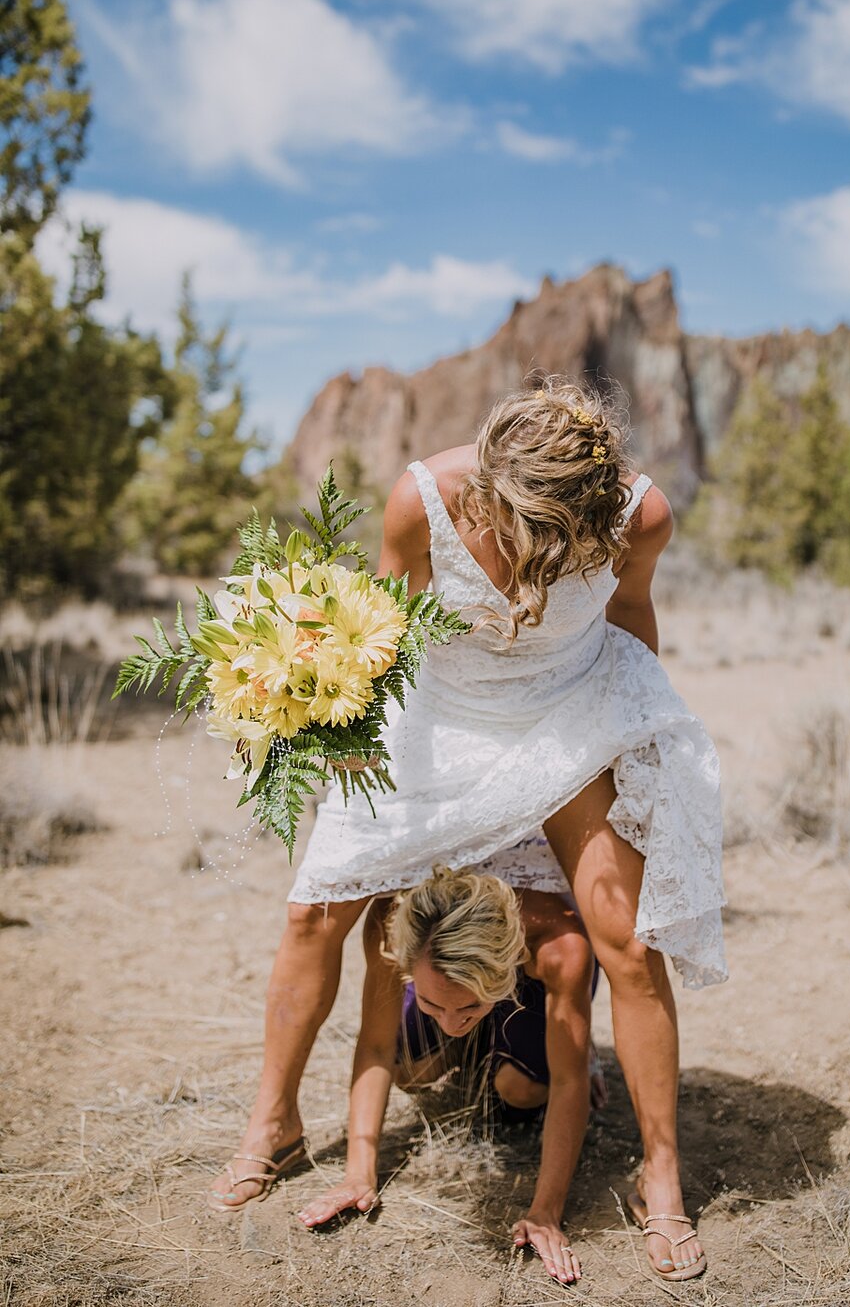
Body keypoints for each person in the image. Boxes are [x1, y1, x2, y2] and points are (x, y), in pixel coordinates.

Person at [208, 375, 726, 1283]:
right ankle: (275, 1124)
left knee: (627, 942)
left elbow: (631, 617)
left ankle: (660, 1173)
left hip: (566, 714)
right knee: (313, 912)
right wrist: (345, 723)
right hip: (436, 713)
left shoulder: (639, 519)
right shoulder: (423, 499)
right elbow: (379, 626)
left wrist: (641, 741)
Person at [295, 866, 604, 1286]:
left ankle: (567, 1045)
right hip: (455, 974)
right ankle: (471, 1029)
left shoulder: (560, 947)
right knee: (411, 1071)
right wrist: (358, 1173)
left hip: (530, 982)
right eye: (433, 1004)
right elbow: (376, 1047)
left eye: (468, 1009)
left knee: (521, 1089)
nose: (450, 1022)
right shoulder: (396, 930)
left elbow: (570, 1084)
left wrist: (546, 1212)